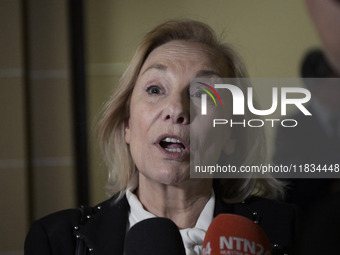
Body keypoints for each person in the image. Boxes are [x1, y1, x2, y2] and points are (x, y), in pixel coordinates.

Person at [24, 20, 297, 255]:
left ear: (232, 135)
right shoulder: (55, 240)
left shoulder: (289, 231)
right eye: (155, 89)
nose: (177, 109)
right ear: (126, 124)